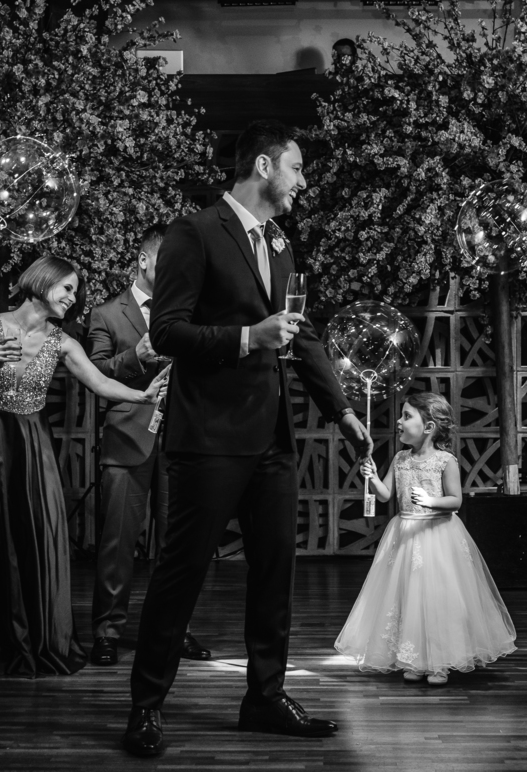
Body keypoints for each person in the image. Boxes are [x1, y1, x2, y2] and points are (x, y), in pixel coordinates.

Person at [123, 120, 371, 758]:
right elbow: (167, 332)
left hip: (272, 439)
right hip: (208, 434)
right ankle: (146, 706)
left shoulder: (280, 243)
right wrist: (245, 338)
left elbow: (300, 333)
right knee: (181, 574)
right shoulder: (194, 232)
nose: (302, 181)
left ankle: (264, 697)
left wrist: (341, 411)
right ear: (264, 166)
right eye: (297, 168)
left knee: (275, 574)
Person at [0, 256, 169, 678]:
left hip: (32, 446)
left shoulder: (62, 342)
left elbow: (100, 382)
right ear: (42, 282)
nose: (73, 299)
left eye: (76, 292)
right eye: (67, 289)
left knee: (34, 535)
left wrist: (142, 396)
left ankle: (34, 635)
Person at [87, 226, 209, 666]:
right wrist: (136, 356)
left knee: (179, 546)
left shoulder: (189, 311)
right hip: (127, 438)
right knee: (117, 543)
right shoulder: (106, 314)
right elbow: (95, 373)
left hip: (183, 440)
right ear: (143, 260)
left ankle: (175, 630)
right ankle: (107, 631)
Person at [335, 392, 516, 685]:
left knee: (438, 597)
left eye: (407, 416)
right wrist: (372, 477)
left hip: (436, 535)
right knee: (409, 597)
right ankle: (415, 659)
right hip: (406, 533)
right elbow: (386, 495)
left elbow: (455, 501)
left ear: (429, 427)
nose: (399, 421)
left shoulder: (445, 461)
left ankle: (439, 662)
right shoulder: (400, 458)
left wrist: (430, 501)